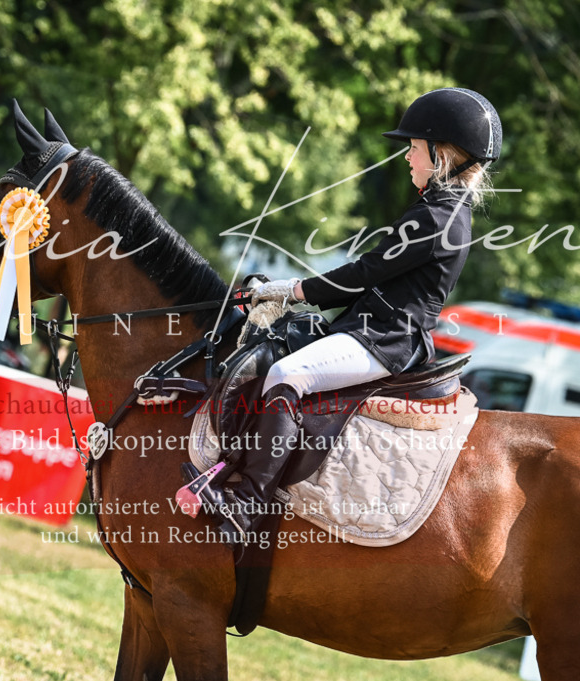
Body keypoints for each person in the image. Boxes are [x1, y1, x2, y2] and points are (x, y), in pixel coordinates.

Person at [204, 87, 502, 546]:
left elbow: (366, 272)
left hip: (385, 340)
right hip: (368, 329)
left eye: (414, 148)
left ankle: (247, 499)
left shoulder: (439, 216)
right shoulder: (440, 209)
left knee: (288, 374)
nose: (406, 157)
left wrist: (291, 291)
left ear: (441, 154)